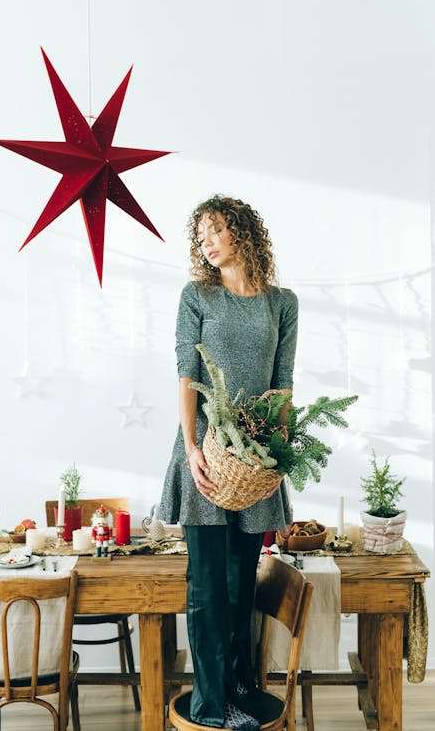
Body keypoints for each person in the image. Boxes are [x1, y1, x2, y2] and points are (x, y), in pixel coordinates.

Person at [159, 194, 298, 731]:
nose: (206, 244)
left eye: (214, 231)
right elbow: (185, 373)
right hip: (207, 458)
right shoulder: (197, 296)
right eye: (200, 238)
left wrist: (277, 460)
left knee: (243, 580)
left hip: (257, 458)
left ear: (241, 231)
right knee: (206, 585)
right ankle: (210, 704)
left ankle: (243, 688)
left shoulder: (281, 303)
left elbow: (282, 382)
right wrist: (193, 449)